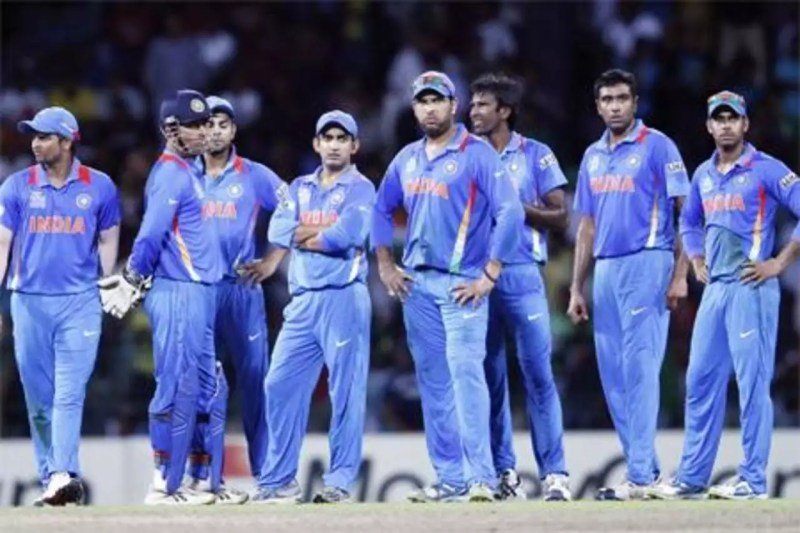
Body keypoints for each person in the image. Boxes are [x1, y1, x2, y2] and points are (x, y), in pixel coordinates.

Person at [372, 71, 523, 503]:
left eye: (437, 100)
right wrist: (385, 265)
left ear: (453, 106)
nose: (430, 108)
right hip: (417, 286)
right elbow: (380, 210)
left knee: (466, 378)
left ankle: (482, 478)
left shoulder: (476, 153)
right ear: (414, 108)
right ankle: (451, 479)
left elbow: (510, 211)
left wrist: (490, 273)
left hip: (463, 285)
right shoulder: (407, 158)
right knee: (434, 384)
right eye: (423, 101)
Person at [648, 91, 800, 501]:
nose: (727, 125)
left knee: (752, 385)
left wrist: (778, 263)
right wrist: (696, 259)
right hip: (715, 291)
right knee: (699, 381)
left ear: (745, 124)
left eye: (733, 118)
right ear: (709, 126)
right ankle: (692, 479)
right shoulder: (703, 174)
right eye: (720, 119)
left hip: (752, 288)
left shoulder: (766, 168)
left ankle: (752, 480)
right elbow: (689, 221)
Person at [567, 69, 691, 501]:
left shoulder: (658, 145)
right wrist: (576, 287)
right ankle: (646, 470)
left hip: (648, 261)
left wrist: (680, 273)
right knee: (614, 376)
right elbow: (586, 225)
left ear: (635, 102)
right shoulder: (592, 155)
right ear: (597, 106)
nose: (615, 105)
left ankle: (638, 476)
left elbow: (688, 212)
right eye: (607, 99)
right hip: (605, 270)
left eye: (622, 98)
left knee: (640, 368)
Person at [99, 89, 222, 505]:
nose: (204, 131)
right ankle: (161, 483)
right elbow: (151, 233)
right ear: (171, 129)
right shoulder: (170, 172)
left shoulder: (191, 171)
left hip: (199, 292)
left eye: (206, 123)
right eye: (195, 125)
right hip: (177, 292)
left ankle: (198, 481)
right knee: (173, 385)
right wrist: (133, 277)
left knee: (205, 389)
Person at [0, 106, 120, 505]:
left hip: (80, 302)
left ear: (67, 141)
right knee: (39, 400)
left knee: (69, 393)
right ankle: (52, 476)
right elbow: (2, 244)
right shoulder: (16, 186)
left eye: (44, 136)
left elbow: (108, 238)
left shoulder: (100, 186)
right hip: (28, 302)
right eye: (33, 136)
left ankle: (63, 473)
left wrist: (105, 282)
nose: (35, 143)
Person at [253, 110, 374, 504]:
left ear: (354, 146)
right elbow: (277, 231)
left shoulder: (362, 189)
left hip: (344, 297)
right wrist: (322, 232)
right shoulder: (299, 187)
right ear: (316, 144)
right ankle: (279, 481)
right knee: (278, 383)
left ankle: (339, 482)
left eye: (342, 138)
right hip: (303, 301)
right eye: (328, 138)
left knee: (346, 391)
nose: (335, 145)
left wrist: (304, 234)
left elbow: (347, 235)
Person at [469, 73, 570, 501]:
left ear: (504, 111)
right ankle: (504, 475)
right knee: (489, 378)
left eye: (482, 105)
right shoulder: (465, 155)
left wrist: (513, 205)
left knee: (538, 374)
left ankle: (555, 475)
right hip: (476, 278)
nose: (473, 111)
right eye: (472, 104)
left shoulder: (536, 154)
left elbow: (560, 215)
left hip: (523, 273)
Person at [183, 96, 286, 503]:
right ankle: (207, 479)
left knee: (256, 382)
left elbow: (293, 208)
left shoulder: (255, 175)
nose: (214, 131)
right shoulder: (183, 174)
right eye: (207, 124)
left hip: (242, 289)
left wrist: (273, 259)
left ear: (233, 131)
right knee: (204, 385)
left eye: (222, 124)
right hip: (200, 291)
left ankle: (268, 478)